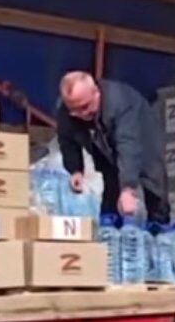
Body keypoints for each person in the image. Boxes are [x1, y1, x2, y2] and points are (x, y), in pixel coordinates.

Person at [56, 71, 169, 223]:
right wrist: (75, 170)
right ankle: (110, 229)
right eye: (74, 110)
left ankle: (159, 225)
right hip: (105, 145)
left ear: (96, 93)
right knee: (111, 190)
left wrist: (128, 188)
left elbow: (128, 145)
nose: (81, 113)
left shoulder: (120, 102)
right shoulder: (67, 112)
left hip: (141, 136)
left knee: (153, 186)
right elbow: (67, 140)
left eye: (85, 107)